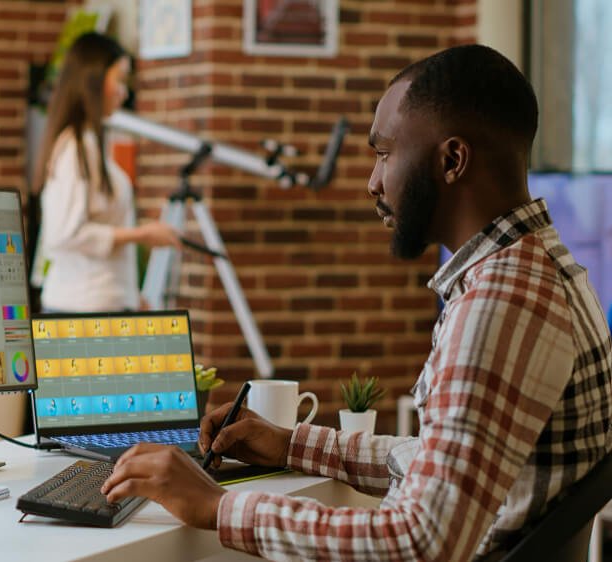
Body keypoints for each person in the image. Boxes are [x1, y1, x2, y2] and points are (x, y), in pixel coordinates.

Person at [101, 45, 612, 560]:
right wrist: (292, 445)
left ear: (452, 160)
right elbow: (440, 458)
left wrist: (217, 507)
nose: (373, 181)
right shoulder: (543, 268)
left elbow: (417, 541)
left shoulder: (503, 302)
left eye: (385, 153)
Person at [33, 32, 180, 313]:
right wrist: (140, 235)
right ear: (94, 79)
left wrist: (131, 297)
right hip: (81, 308)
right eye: (120, 80)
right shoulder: (76, 149)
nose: (124, 93)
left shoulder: (88, 145)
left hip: (101, 303)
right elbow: (63, 234)